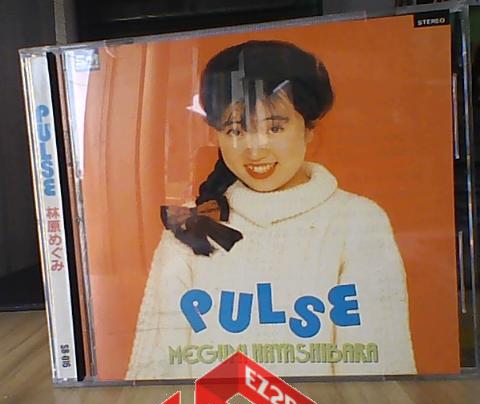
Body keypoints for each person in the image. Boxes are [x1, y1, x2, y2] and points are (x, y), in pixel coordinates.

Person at [126, 40, 416, 380]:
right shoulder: (190, 224)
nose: (255, 149)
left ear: (309, 129)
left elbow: (378, 372)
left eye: (275, 127)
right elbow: (156, 368)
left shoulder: (357, 221)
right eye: (235, 130)